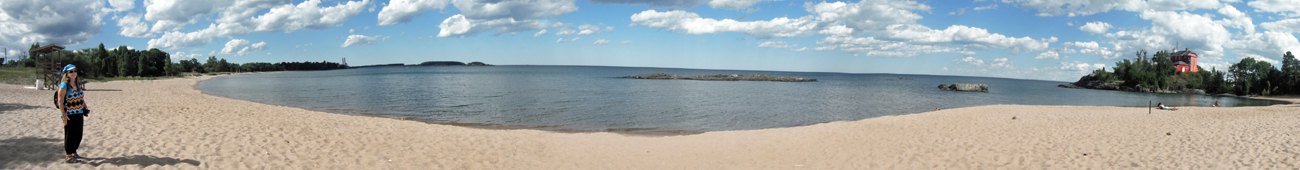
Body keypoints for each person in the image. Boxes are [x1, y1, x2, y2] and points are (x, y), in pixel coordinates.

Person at [57, 64, 90, 163]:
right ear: (67, 73)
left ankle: (74, 151)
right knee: (69, 134)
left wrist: (85, 106)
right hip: (69, 113)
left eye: (75, 71)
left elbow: (81, 97)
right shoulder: (64, 85)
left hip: (79, 112)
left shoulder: (78, 83)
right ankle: (69, 155)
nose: (73, 73)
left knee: (78, 134)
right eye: (71, 71)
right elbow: (60, 100)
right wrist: (63, 115)